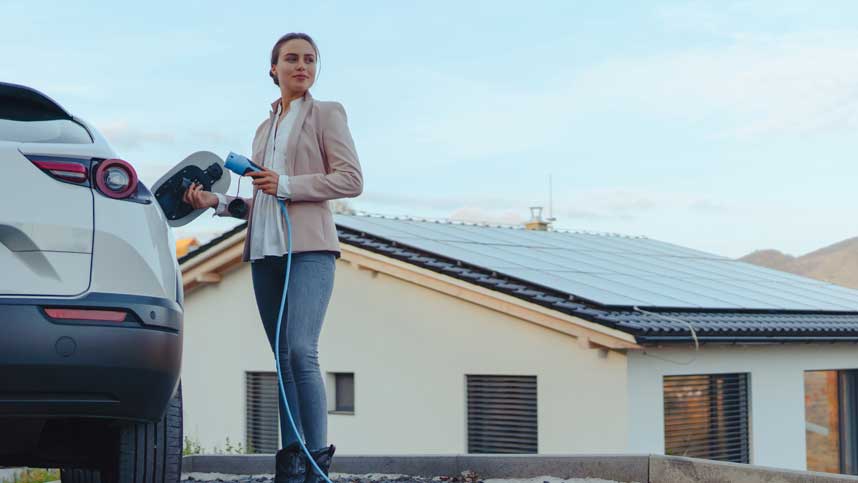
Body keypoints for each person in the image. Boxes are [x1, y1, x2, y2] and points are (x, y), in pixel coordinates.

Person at [183, 32, 363, 483]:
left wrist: (286, 184)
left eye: (309, 59)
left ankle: (317, 463)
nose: (301, 66)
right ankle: (291, 466)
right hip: (265, 251)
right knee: (282, 360)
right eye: (291, 59)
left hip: (309, 249)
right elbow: (260, 200)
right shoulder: (265, 129)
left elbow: (350, 179)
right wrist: (217, 203)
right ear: (273, 69)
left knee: (302, 351)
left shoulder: (327, 114)